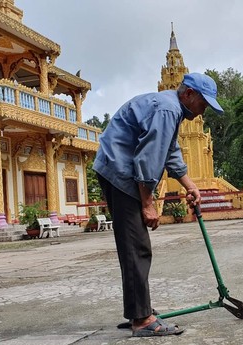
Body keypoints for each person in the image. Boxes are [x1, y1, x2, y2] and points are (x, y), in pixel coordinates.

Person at [93, 73, 224, 337]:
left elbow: (170, 151)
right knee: (136, 246)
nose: (202, 111)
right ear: (189, 94)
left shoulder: (171, 109)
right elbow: (149, 158)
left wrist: (190, 185)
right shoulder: (167, 109)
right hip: (121, 171)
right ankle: (141, 319)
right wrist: (147, 203)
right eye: (203, 103)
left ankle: (139, 310)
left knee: (135, 245)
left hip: (117, 168)